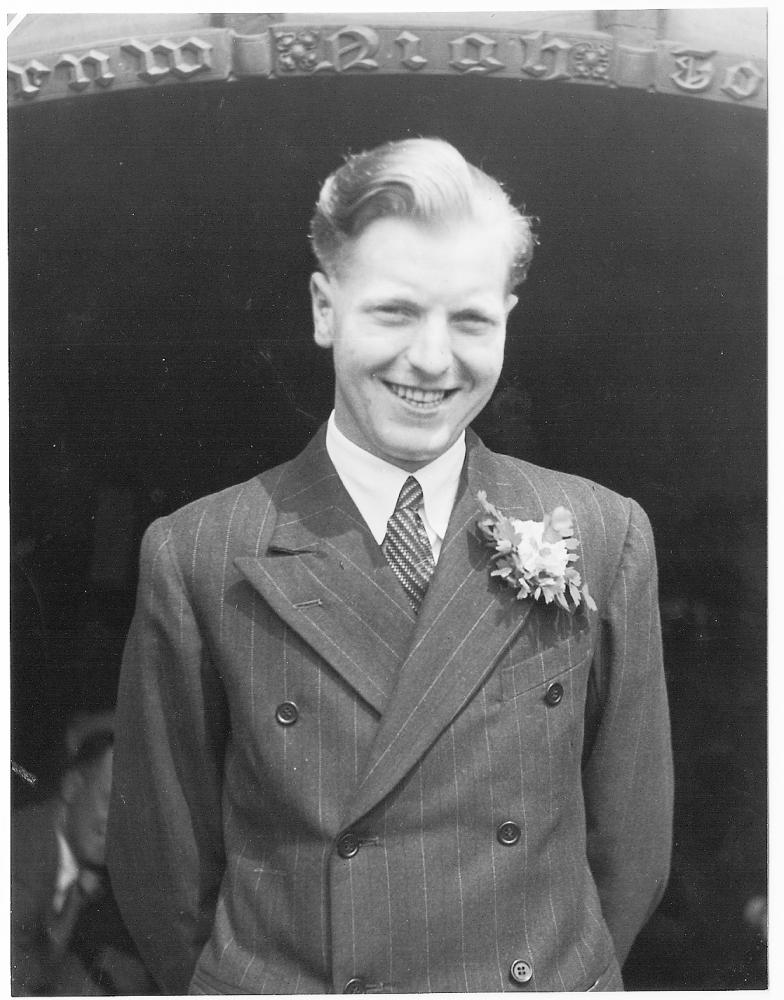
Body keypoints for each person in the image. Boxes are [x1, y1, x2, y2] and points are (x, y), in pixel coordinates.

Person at [107, 137, 673, 993]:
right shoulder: (198, 552)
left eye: (471, 320)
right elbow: (164, 875)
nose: (433, 360)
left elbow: (631, 848)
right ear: (325, 309)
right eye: (396, 312)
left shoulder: (603, 532)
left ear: (508, 320)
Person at [11, 729, 154, 995]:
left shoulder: (83, 866)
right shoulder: (21, 856)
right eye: (109, 800)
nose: (117, 823)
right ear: (72, 787)